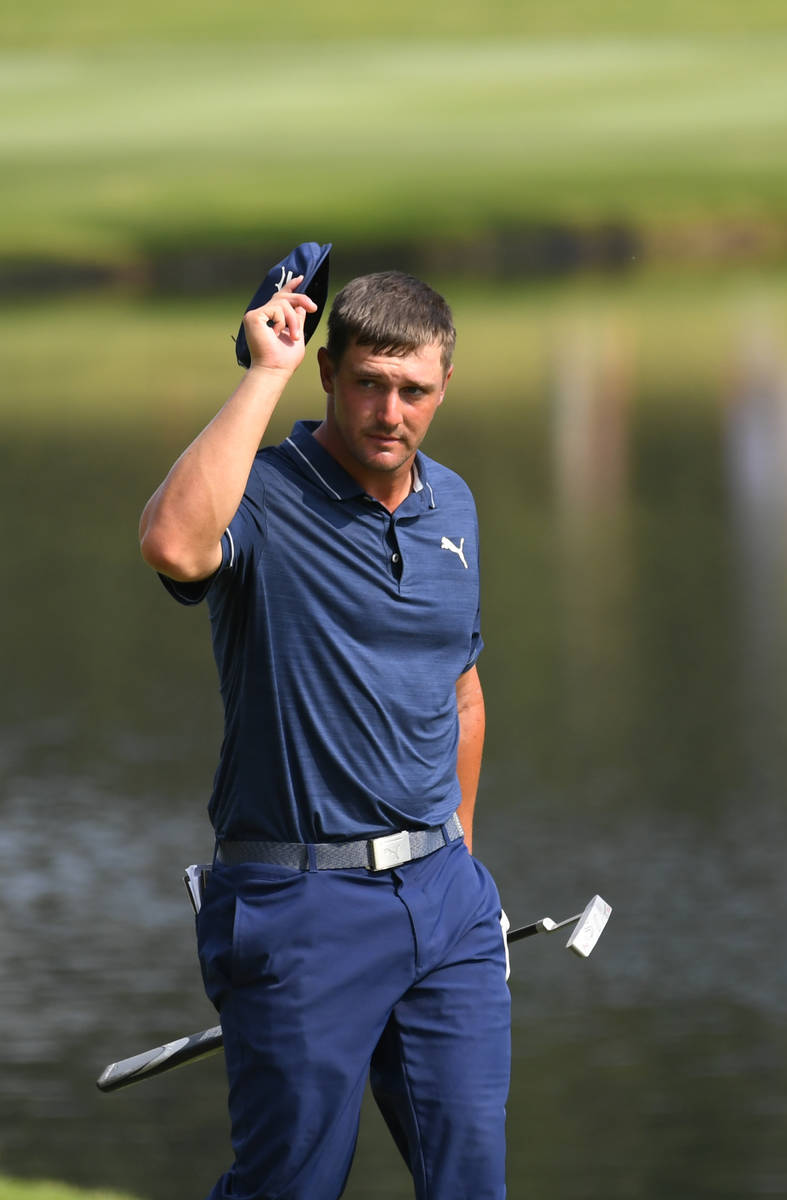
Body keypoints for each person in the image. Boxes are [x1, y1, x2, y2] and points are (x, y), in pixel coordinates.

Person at [139, 259, 511, 1200]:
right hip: (297, 904)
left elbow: (461, 695)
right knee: (290, 1187)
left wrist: (461, 855)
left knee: (471, 1179)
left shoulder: (453, 506)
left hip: (446, 901)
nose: (391, 412)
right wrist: (260, 372)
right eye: (369, 385)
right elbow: (174, 545)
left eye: (414, 390)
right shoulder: (260, 493)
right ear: (328, 374)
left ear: (445, 386)